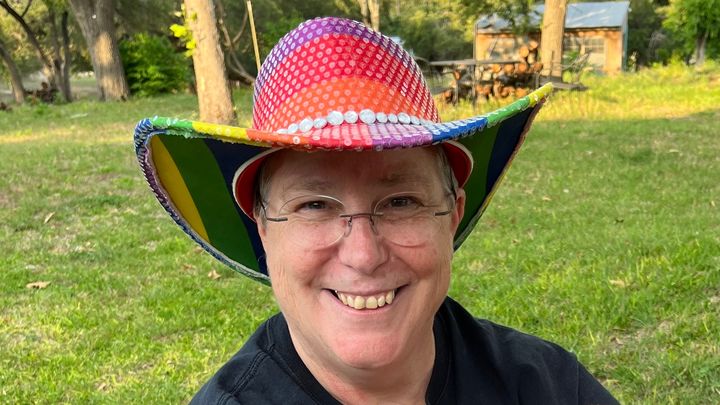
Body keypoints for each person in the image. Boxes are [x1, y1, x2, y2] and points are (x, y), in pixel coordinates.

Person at [134, 17, 619, 404]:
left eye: (401, 202)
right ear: (263, 228)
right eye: (314, 205)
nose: (363, 256)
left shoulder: (546, 385)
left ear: (452, 215)